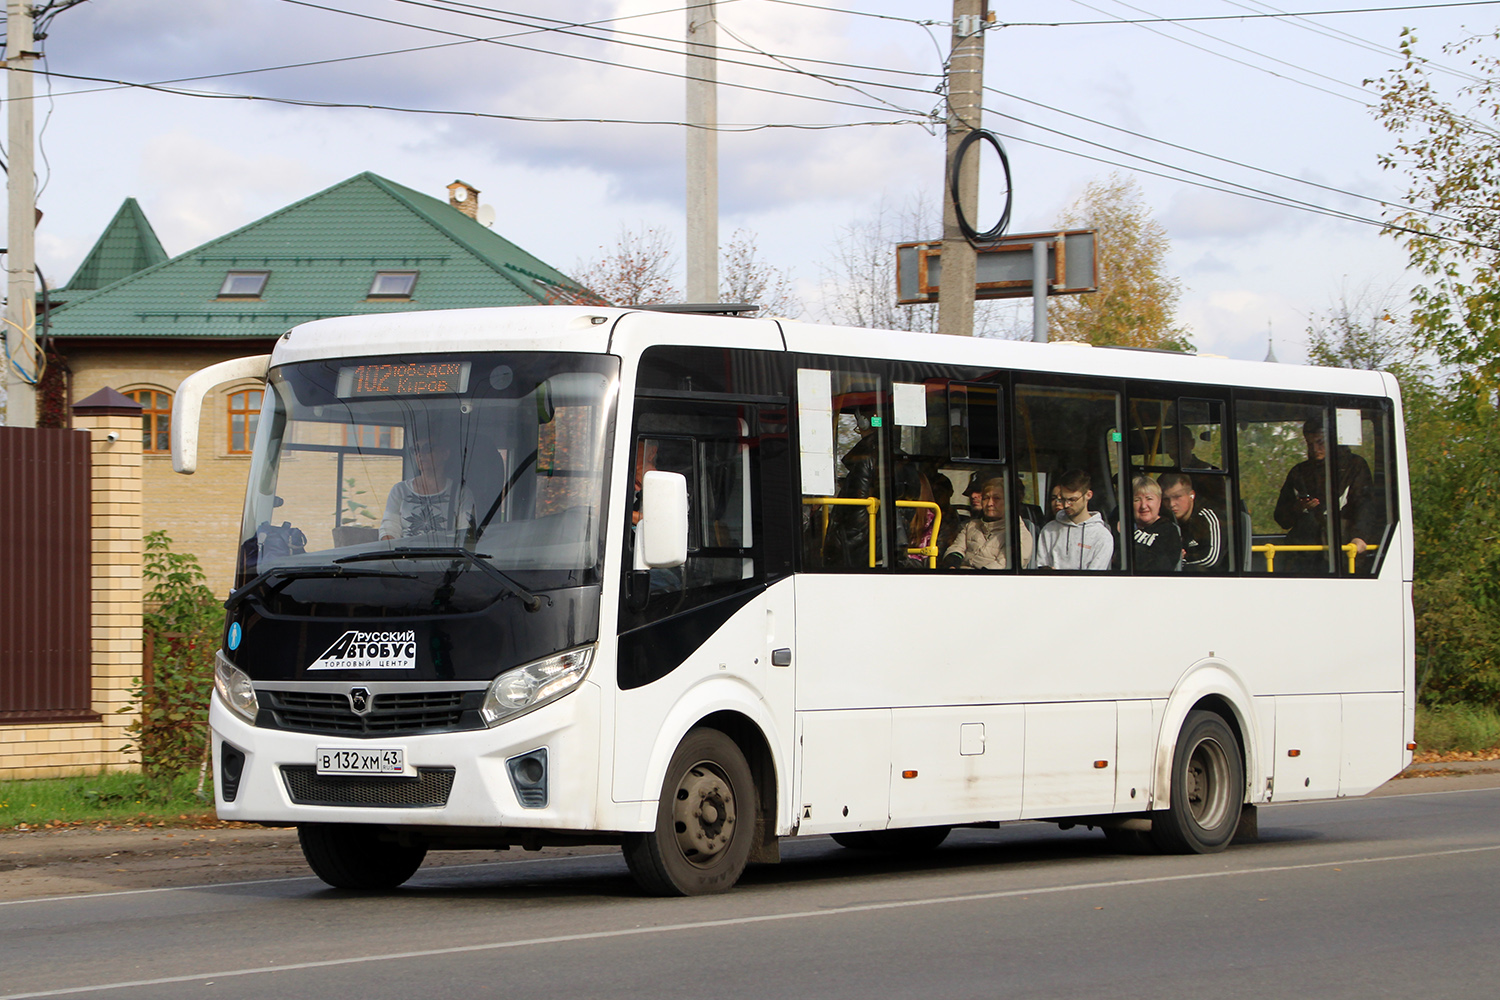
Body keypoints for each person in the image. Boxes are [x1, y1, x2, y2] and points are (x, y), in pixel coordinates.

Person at [1273, 416, 1377, 570]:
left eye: (1320, 442)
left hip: (1341, 551)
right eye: (1310, 444)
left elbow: (1365, 504)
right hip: (1303, 555)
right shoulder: (1299, 472)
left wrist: (1359, 538)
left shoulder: (1354, 466)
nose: (1315, 449)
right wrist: (1298, 507)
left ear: (1333, 440)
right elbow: (1282, 519)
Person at [380, 433, 476, 541]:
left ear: (445, 453)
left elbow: (466, 535)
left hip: (447, 556)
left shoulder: (461, 493)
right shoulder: (399, 490)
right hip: (405, 556)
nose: (420, 454)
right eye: (416, 450)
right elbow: (389, 528)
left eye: (427, 448)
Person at [942, 474, 1033, 570]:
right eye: (986, 498)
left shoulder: (1018, 534)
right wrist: (952, 566)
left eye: (996, 498)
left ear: (1010, 502)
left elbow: (1004, 566)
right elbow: (956, 548)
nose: (989, 504)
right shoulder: (971, 526)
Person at [1033, 469, 1113, 570]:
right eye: (1063, 499)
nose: (1066, 505)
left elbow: (1094, 579)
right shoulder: (1049, 530)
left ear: (1088, 495)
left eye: (1072, 500)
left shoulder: (1102, 536)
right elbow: (1041, 567)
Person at [1159, 472, 1224, 572]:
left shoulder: (1207, 518)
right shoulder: (1163, 519)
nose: (1172, 504)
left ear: (1191, 495)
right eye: (1166, 499)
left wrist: (1179, 560)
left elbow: (1211, 558)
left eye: (1177, 497)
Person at [1130, 474, 1182, 573]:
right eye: (1137, 500)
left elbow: (1159, 566)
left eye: (1149, 499)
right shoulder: (1121, 527)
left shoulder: (1169, 531)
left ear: (1159, 501)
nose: (1143, 506)